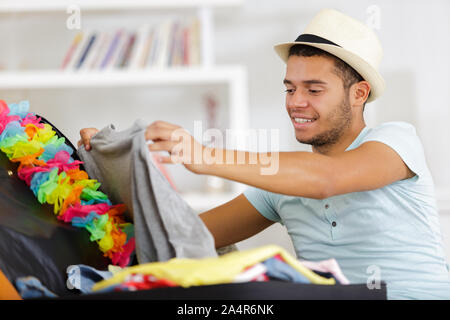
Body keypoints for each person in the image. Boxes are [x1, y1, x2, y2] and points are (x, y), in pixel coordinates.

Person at [78, 9, 450, 299]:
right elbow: (181, 237)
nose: (296, 103)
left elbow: (326, 179)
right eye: (290, 89)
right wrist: (112, 165)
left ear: (359, 94)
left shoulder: (396, 142)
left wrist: (202, 155)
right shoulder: (280, 185)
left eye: (313, 89)